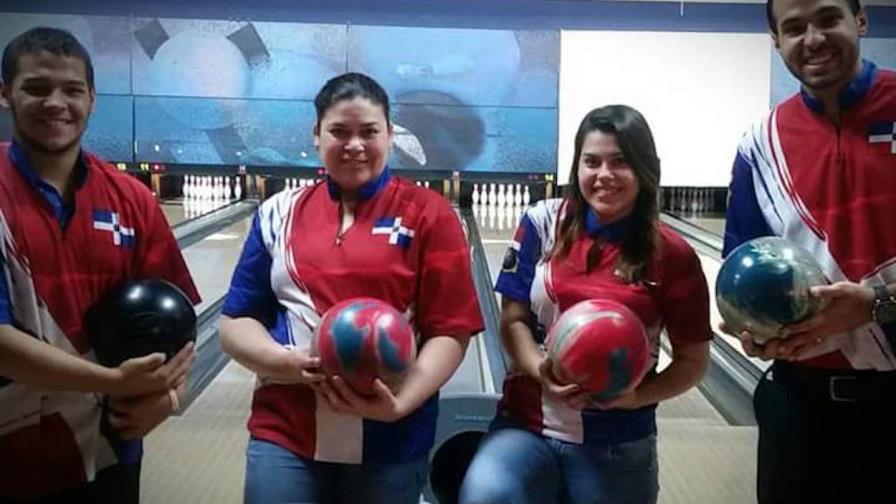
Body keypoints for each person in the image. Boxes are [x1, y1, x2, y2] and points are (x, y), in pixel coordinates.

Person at [218, 72, 483, 504]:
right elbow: (237, 320)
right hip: (286, 428)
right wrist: (283, 362)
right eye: (339, 131)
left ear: (390, 134)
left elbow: (450, 331)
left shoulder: (429, 214)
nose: (354, 145)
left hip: (391, 439)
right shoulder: (277, 213)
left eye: (369, 132)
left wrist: (401, 403)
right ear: (317, 134)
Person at [459, 105, 712, 504]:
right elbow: (513, 319)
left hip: (618, 437)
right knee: (484, 496)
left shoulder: (672, 254)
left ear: (645, 169)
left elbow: (693, 360)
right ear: (577, 167)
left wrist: (633, 397)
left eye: (620, 162)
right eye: (591, 162)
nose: (604, 175)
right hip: (526, 423)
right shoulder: (542, 222)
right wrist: (540, 370)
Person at [0, 27, 198, 503]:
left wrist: (166, 397)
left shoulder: (132, 198)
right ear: (5, 94)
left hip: (108, 451)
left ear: (92, 98)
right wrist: (112, 382)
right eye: (36, 87)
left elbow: (177, 326)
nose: (55, 103)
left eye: (71, 90)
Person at [722, 0, 896, 502]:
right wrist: (750, 330)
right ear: (776, 41)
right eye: (794, 28)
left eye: (827, 19)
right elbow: (739, 268)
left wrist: (877, 304)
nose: (813, 39)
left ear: (860, 21)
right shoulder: (761, 144)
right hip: (800, 408)